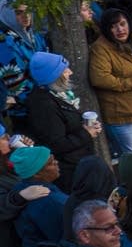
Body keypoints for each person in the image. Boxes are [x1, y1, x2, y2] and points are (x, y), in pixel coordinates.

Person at [24, 50, 103, 187]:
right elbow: (56, 144)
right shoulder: (44, 105)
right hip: (70, 171)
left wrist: (88, 128)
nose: (70, 72)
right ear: (54, 76)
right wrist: (86, 133)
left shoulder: (59, 95)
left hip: (79, 162)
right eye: (65, 70)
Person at [87, 8, 132, 157]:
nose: (120, 29)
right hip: (120, 111)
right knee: (131, 156)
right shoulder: (101, 48)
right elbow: (99, 78)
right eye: (113, 26)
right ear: (106, 29)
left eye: (122, 24)